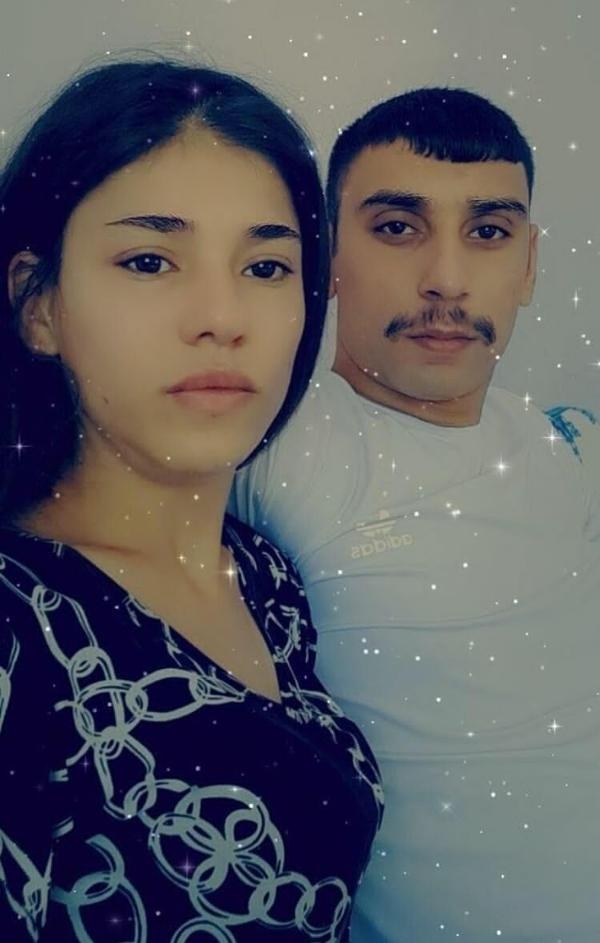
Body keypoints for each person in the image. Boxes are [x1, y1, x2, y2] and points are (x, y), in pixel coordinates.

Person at [0, 59, 383, 943]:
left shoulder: (267, 576)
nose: (223, 315)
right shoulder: (20, 628)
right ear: (37, 304)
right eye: (149, 260)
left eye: (266, 266)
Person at [232, 87, 600, 942]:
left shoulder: (573, 446)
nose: (447, 279)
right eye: (398, 227)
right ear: (327, 254)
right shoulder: (277, 439)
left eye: (489, 231)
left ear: (529, 266)